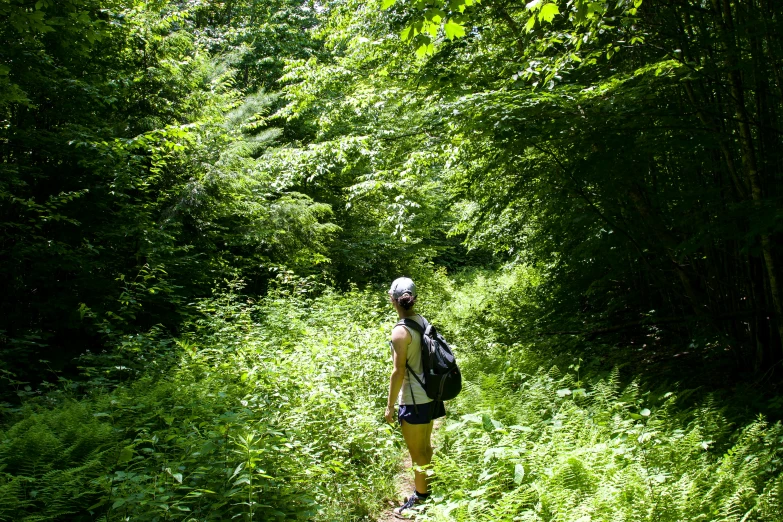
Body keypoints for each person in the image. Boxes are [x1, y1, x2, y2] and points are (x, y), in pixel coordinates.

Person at [384, 277, 445, 516]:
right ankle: (428, 487)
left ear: (392, 300)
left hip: (413, 398)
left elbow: (398, 371)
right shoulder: (421, 321)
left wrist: (390, 406)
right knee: (425, 447)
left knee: (416, 453)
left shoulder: (400, 331)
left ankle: (421, 499)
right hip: (430, 395)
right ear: (413, 298)